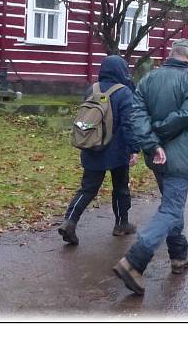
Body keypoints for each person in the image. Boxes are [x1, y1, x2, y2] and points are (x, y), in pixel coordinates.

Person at [112, 39, 188, 295]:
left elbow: (137, 115)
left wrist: (153, 143)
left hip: (158, 156)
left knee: (171, 205)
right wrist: (159, 134)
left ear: (171, 55)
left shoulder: (148, 79)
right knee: (172, 208)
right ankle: (134, 261)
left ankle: (178, 256)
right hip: (181, 155)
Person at [57, 55, 138, 245]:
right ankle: (121, 224)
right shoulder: (124, 92)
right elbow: (128, 124)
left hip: (92, 146)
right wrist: (133, 149)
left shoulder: (91, 89)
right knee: (120, 188)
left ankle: (70, 221)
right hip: (117, 150)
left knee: (87, 189)